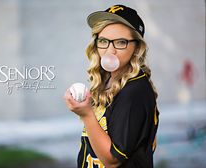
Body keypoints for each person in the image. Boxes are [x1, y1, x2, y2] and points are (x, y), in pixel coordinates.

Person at [64, 4, 159, 168]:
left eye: (121, 42)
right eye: (103, 41)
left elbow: (113, 160)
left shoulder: (134, 91)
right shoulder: (107, 80)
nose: (110, 50)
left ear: (137, 46)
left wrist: (86, 114)